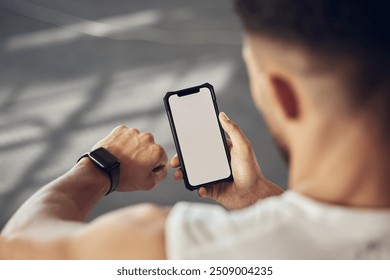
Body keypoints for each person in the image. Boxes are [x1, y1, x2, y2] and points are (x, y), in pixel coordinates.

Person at [0, 0, 389, 259]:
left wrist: (100, 167)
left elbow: (16, 248)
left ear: (281, 94)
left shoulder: (184, 250)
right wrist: (259, 199)